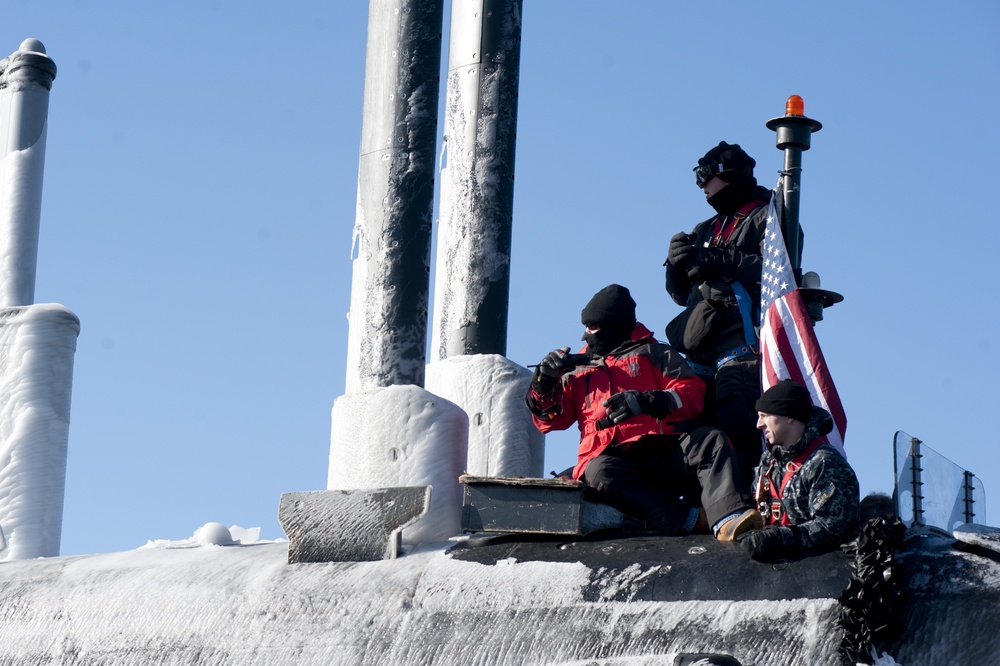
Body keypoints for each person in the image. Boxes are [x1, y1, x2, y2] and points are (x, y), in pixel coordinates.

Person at [525, 284, 761, 540]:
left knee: (710, 441)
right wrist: (543, 386)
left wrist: (650, 402)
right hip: (611, 461)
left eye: (591, 327)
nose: (585, 336)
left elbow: (692, 394)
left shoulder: (655, 354)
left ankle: (729, 517)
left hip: (662, 451)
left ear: (612, 325)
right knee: (599, 471)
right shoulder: (577, 369)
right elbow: (550, 421)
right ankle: (690, 519)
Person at [663, 141, 793, 489]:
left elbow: (779, 274)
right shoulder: (706, 229)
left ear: (729, 175)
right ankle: (703, 504)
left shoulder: (768, 216)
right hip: (701, 354)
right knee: (692, 430)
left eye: (706, 176)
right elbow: (679, 297)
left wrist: (720, 261)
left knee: (739, 429)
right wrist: (676, 266)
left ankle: (752, 499)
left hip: (742, 351)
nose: (701, 186)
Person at [738, 379, 860, 561]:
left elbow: (831, 527)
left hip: (820, 572)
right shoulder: (769, 461)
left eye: (764, 415)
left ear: (788, 416)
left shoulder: (824, 463)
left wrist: (780, 538)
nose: (759, 424)